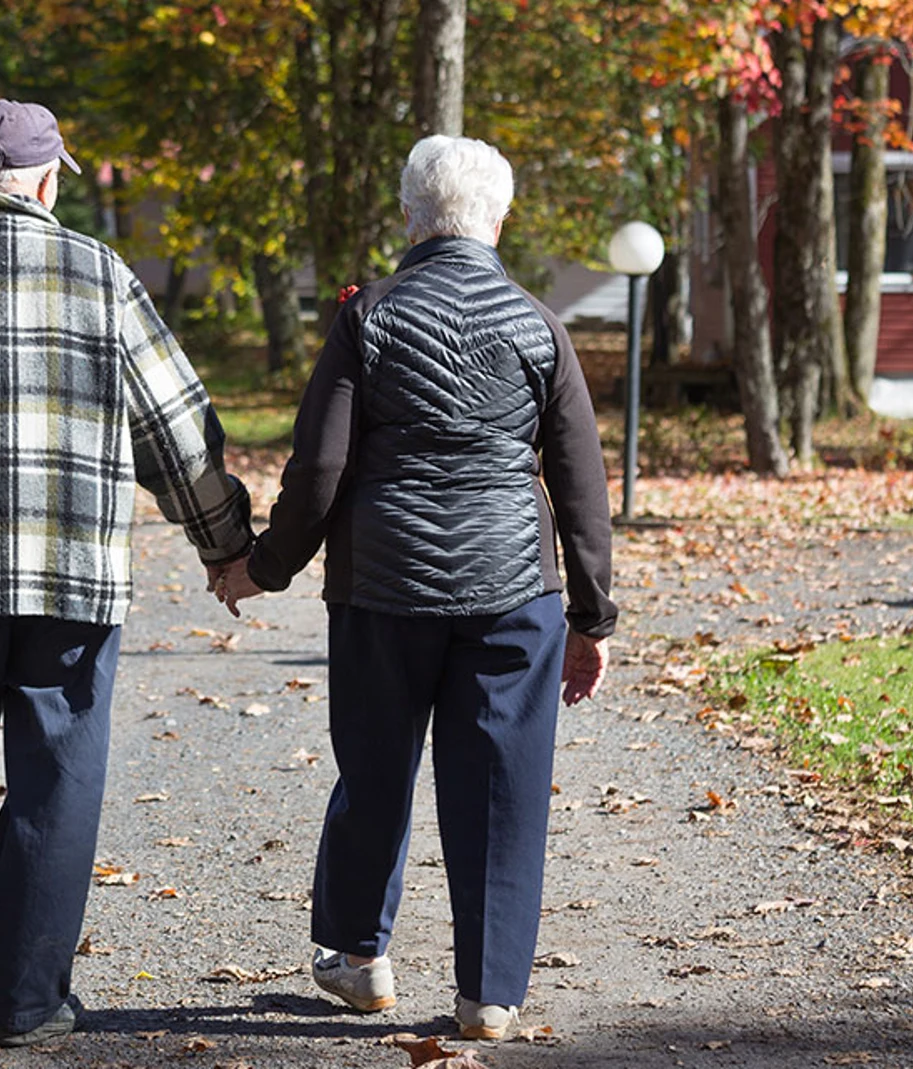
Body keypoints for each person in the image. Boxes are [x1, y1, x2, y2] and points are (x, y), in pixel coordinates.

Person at [0, 98, 253, 1048]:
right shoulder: (99, 270)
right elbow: (177, 429)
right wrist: (224, 540)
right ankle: (26, 1003)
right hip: (73, 570)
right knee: (55, 776)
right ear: (51, 179)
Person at [213, 134, 615, 1041]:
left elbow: (319, 469)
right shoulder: (537, 325)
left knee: (376, 768)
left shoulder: (369, 318)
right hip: (514, 591)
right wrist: (592, 616)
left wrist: (263, 566)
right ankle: (492, 995)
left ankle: (360, 960)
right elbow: (581, 484)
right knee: (503, 788)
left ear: (408, 215)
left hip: (381, 591)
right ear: (500, 220)